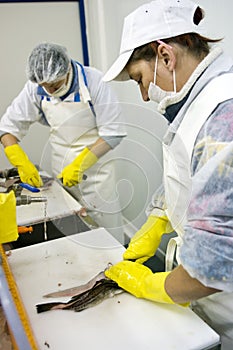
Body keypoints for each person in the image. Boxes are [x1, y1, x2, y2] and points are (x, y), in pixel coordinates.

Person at [103, 0, 233, 348]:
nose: (144, 95)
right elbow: (193, 173)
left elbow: (209, 270)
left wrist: (149, 285)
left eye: (140, 80)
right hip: (213, 309)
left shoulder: (222, 115)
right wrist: (159, 217)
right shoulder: (201, 103)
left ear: (165, 56)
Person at [0, 42, 127, 244]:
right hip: (61, 167)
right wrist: (20, 161)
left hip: (97, 173)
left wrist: (80, 165)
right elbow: (6, 129)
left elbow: (113, 133)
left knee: (107, 231)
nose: (49, 90)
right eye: (44, 86)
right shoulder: (35, 87)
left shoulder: (94, 81)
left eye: (54, 85)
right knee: (71, 228)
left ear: (67, 69)